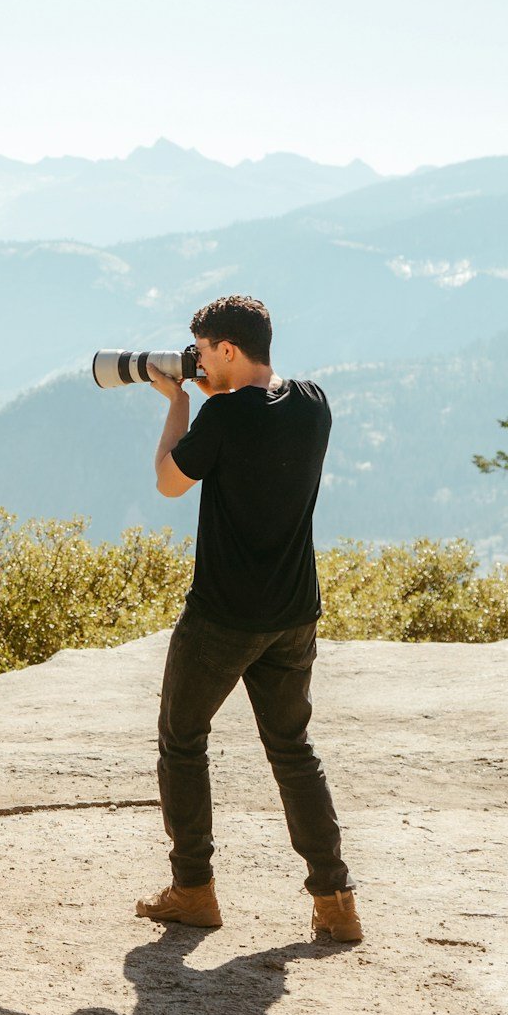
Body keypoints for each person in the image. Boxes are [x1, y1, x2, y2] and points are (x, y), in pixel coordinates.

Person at [136, 294, 363, 943]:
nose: (198, 360)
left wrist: (178, 397)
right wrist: (218, 385)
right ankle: (335, 897)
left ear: (227, 349)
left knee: (183, 738)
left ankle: (193, 888)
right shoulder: (315, 402)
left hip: (222, 617)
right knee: (293, 749)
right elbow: (261, 411)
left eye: (204, 351)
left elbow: (169, 481)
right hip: (293, 612)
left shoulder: (220, 415)